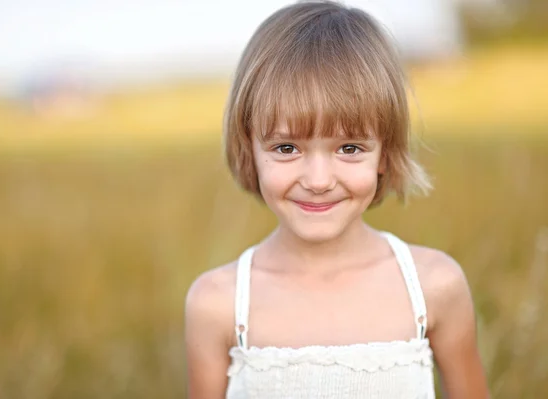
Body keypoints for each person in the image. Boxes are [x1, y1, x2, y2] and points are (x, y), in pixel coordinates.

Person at [184, 1, 489, 398]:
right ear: (249, 149)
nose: (318, 180)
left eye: (349, 148)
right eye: (286, 147)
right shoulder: (218, 304)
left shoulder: (434, 287)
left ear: (386, 152)